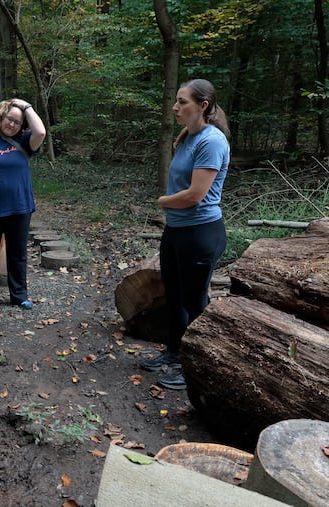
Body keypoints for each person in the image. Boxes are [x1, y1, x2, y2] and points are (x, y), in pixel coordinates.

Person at [140, 78, 230, 390]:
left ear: (203, 106)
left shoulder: (212, 142)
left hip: (200, 233)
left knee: (195, 301)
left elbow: (195, 195)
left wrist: (163, 201)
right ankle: (175, 354)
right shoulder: (188, 137)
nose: (175, 107)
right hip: (176, 231)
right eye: (176, 101)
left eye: (183, 102)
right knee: (175, 296)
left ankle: (199, 366)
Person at [0, 98, 46, 308]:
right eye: (9, 119)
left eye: (17, 122)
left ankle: (19, 296)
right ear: (1, 117)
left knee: (18, 254)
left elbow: (40, 132)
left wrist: (27, 106)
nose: (12, 125)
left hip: (20, 207)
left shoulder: (25, 140)